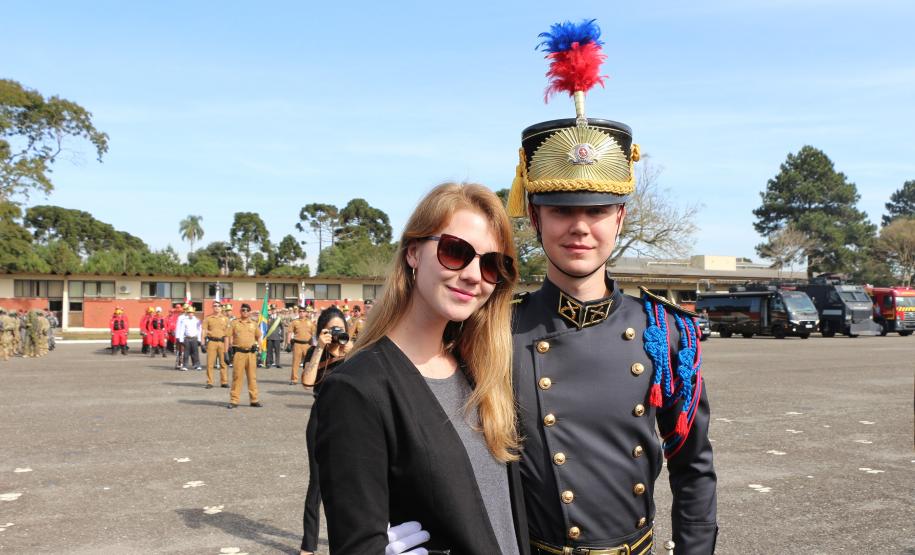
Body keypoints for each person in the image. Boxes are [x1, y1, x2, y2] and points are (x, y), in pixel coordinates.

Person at [504, 19, 718, 555]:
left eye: (598, 210)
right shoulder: (497, 329)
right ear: (535, 216)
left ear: (619, 217)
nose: (580, 227)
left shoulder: (665, 333)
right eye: (562, 210)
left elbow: (693, 467)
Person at [315, 182, 527, 555]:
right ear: (413, 252)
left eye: (492, 264)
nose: (474, 275)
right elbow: (356, 543)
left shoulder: (481, 372)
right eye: (455, 251)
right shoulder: (358, 388)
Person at [298, 306, 352, 555]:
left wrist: (351, 350)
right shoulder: (315, 352)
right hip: (321, 416)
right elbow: (307, 382)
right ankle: (308, 545)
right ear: (322, 331)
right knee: (317, 482)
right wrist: (320, 347)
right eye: (331, 329)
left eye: (340, 328)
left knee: (349, 482)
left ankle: (345, 541)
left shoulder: (355, 352)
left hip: (350, 419)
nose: (336, 333)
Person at [226, 303, 263, 409]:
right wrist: (226, 352)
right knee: (237, 377)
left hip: (251, 354)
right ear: (240, 311)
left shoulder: (254, 324)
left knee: (252, 377)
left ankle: (254, 400)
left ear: (250, 312)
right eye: (243, 310)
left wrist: (260, 351)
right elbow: (227, 336)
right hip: (239, 353)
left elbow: (259, 337)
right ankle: (234, 400)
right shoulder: (234, 323)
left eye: (247, 310)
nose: (245, 312)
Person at [202, 301, 230, 388]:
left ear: (221, 308)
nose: (216, 307)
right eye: (214, 306)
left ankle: (224, 382)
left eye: (218, 306)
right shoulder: (208, 318)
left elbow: (227, 334)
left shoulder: (226, 319)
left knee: (223, 363)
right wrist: (202, 343)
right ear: (212, 307)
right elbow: (204, 331)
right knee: (210, 363)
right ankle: (209, 382)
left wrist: (227, 348)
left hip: (222, 342)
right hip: (211, 342)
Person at [286, 306, 316, 385]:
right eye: (300, 311)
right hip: (297, 344)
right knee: (295, 363)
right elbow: (289, 332)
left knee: (308, 363)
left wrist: (314, 345)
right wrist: (288, 343)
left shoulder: (310, 322)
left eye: (303, 311)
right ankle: (294, 379)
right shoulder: (294, 322)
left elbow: (314, 334)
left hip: (307, 345)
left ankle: (308, 379)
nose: (302, 313)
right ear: (298, 313)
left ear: (306, 313)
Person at [176, 305, 202, 371]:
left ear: (193, 313)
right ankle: (185, 366)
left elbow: (199, 330)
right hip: (187, 338)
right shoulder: (184, 320)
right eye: (189, 312)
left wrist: (199, 339)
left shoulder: (197, 320)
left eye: (191, 312)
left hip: (194, 338)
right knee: (186, 353)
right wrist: (181, 339)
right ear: (187, 313)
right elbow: (182, 330)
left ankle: (197, 365)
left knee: (195, 353)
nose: (190, 314)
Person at [264, 304, 285, 369]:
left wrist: (282, 336)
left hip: (277, 337)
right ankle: (268, 363)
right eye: (272, 309)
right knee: (269, 351)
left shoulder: (279, 318)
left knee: (277, 351)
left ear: (276, 310)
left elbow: (282, 328)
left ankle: (277, 363)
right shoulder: (267, 318)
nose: (273, 310)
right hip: (269, 336)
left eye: (274, 309)